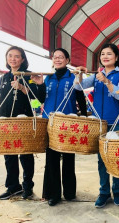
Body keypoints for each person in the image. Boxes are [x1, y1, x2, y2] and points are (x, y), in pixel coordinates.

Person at [75, 43, 119, 208]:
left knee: (117, 158)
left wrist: (106, 81)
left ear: (117, 57)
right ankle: (104, 192)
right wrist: (79, 74)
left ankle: (117, 191)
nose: (105, 57)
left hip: (118, 123)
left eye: (109, 54)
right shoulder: (96, 75)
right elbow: (78, 86)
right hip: (100, 123)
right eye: (103, 54)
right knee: (102, 160)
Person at [31, 48, 86, 206]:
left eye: (61, 57)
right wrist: (40, 84)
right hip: (50, 122)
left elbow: (81, 97)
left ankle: (69, 192)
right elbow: (41, 99)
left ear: (67, 60)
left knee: (69, 158)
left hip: (68, 122)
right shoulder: (48, 78)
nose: (58, 59)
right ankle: (53, 194)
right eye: (55, 57)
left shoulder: (73, 78)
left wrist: (83, 117)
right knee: (52, 159)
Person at [0, 46, 42, 199]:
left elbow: (36, 97)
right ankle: (13, 187)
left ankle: (27, 186)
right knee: (9, 155)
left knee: (26, 154)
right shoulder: (4, 77)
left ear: (22, 59)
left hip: (23, 121)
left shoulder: (29, 75)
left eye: (17, 56)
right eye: (10, 56)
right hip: (5, 120)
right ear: (6, 58)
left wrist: (22, 87)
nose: (13, 59)